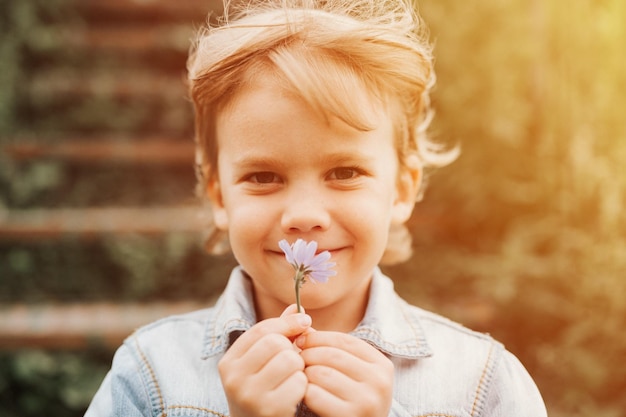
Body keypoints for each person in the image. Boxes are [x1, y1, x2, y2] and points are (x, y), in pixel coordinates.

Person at [86, 0, 547, 416]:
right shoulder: (149, 378)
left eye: (344, 173)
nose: (304, 216)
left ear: (403, 190)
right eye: (263, 177)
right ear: (219, 195)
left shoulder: (483, 386)